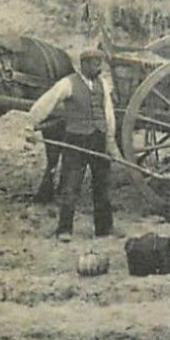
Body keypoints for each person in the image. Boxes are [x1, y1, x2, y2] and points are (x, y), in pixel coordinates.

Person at [26, 49, 118, 241]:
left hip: (98, 139)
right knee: (70, 186)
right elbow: (45, 103)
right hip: (76, 140)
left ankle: (104, 229)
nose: (98, 68)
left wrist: (110, 141)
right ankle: (64, 230)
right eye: (95, 64)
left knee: (102, 186)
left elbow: (108, 114)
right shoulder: (68, 84)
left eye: (99, 63)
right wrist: (31, 125)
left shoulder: (103, 84)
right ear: (83, 65)